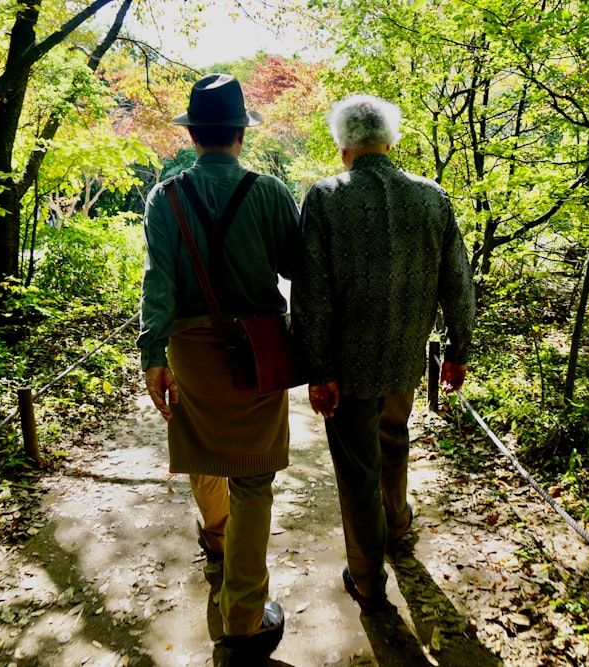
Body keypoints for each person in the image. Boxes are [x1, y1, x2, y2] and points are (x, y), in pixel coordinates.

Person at [291, 94, 475, 612]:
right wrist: (460, 349)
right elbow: (457, 282)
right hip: (404, 359)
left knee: (356, 468)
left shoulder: (326, 197)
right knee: (394, 439)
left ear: (342, 144)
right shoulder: (432, 197)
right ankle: (398, 526)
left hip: (346, 367)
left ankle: (368, 578)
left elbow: (311, 294)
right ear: (390, 142)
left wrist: (318, 368)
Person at [137, 73, 298, 658]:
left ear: (195, 133)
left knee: (205, 450)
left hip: (190, 345)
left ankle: (215, 537)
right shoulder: (272, 192)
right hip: (257, 347)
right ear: (240, 132)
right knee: (254, 477)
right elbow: (295, 267)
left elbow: (159, 278)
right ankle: (245, 616)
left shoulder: (166, 196)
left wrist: (152, 353)